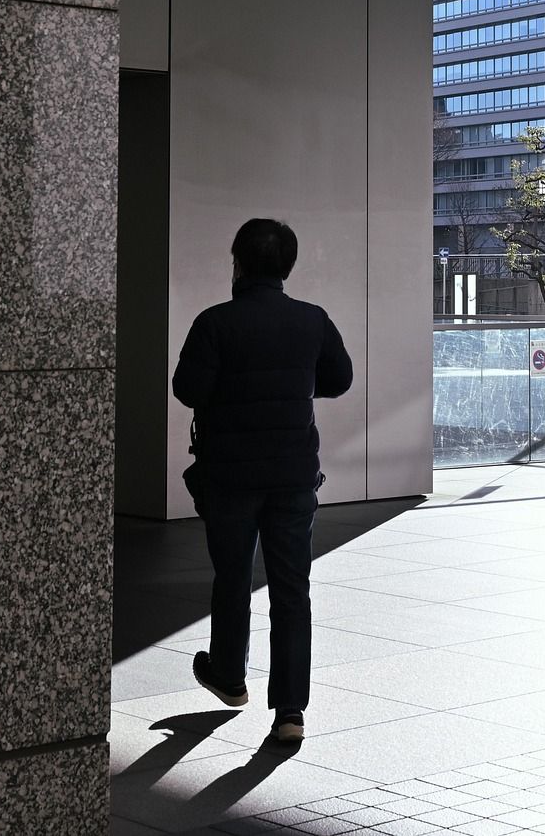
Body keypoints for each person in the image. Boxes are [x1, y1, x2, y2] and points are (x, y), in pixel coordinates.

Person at [172, 218, 353, 745]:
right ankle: (290, 712)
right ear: (288, 266)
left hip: (229, 474)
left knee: (232, 577)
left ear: (238, 262)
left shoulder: (215, 323)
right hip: (293, 476)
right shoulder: (311, 320)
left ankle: (229, 678)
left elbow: (188, 389)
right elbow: (339, 380)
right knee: (292, 590)